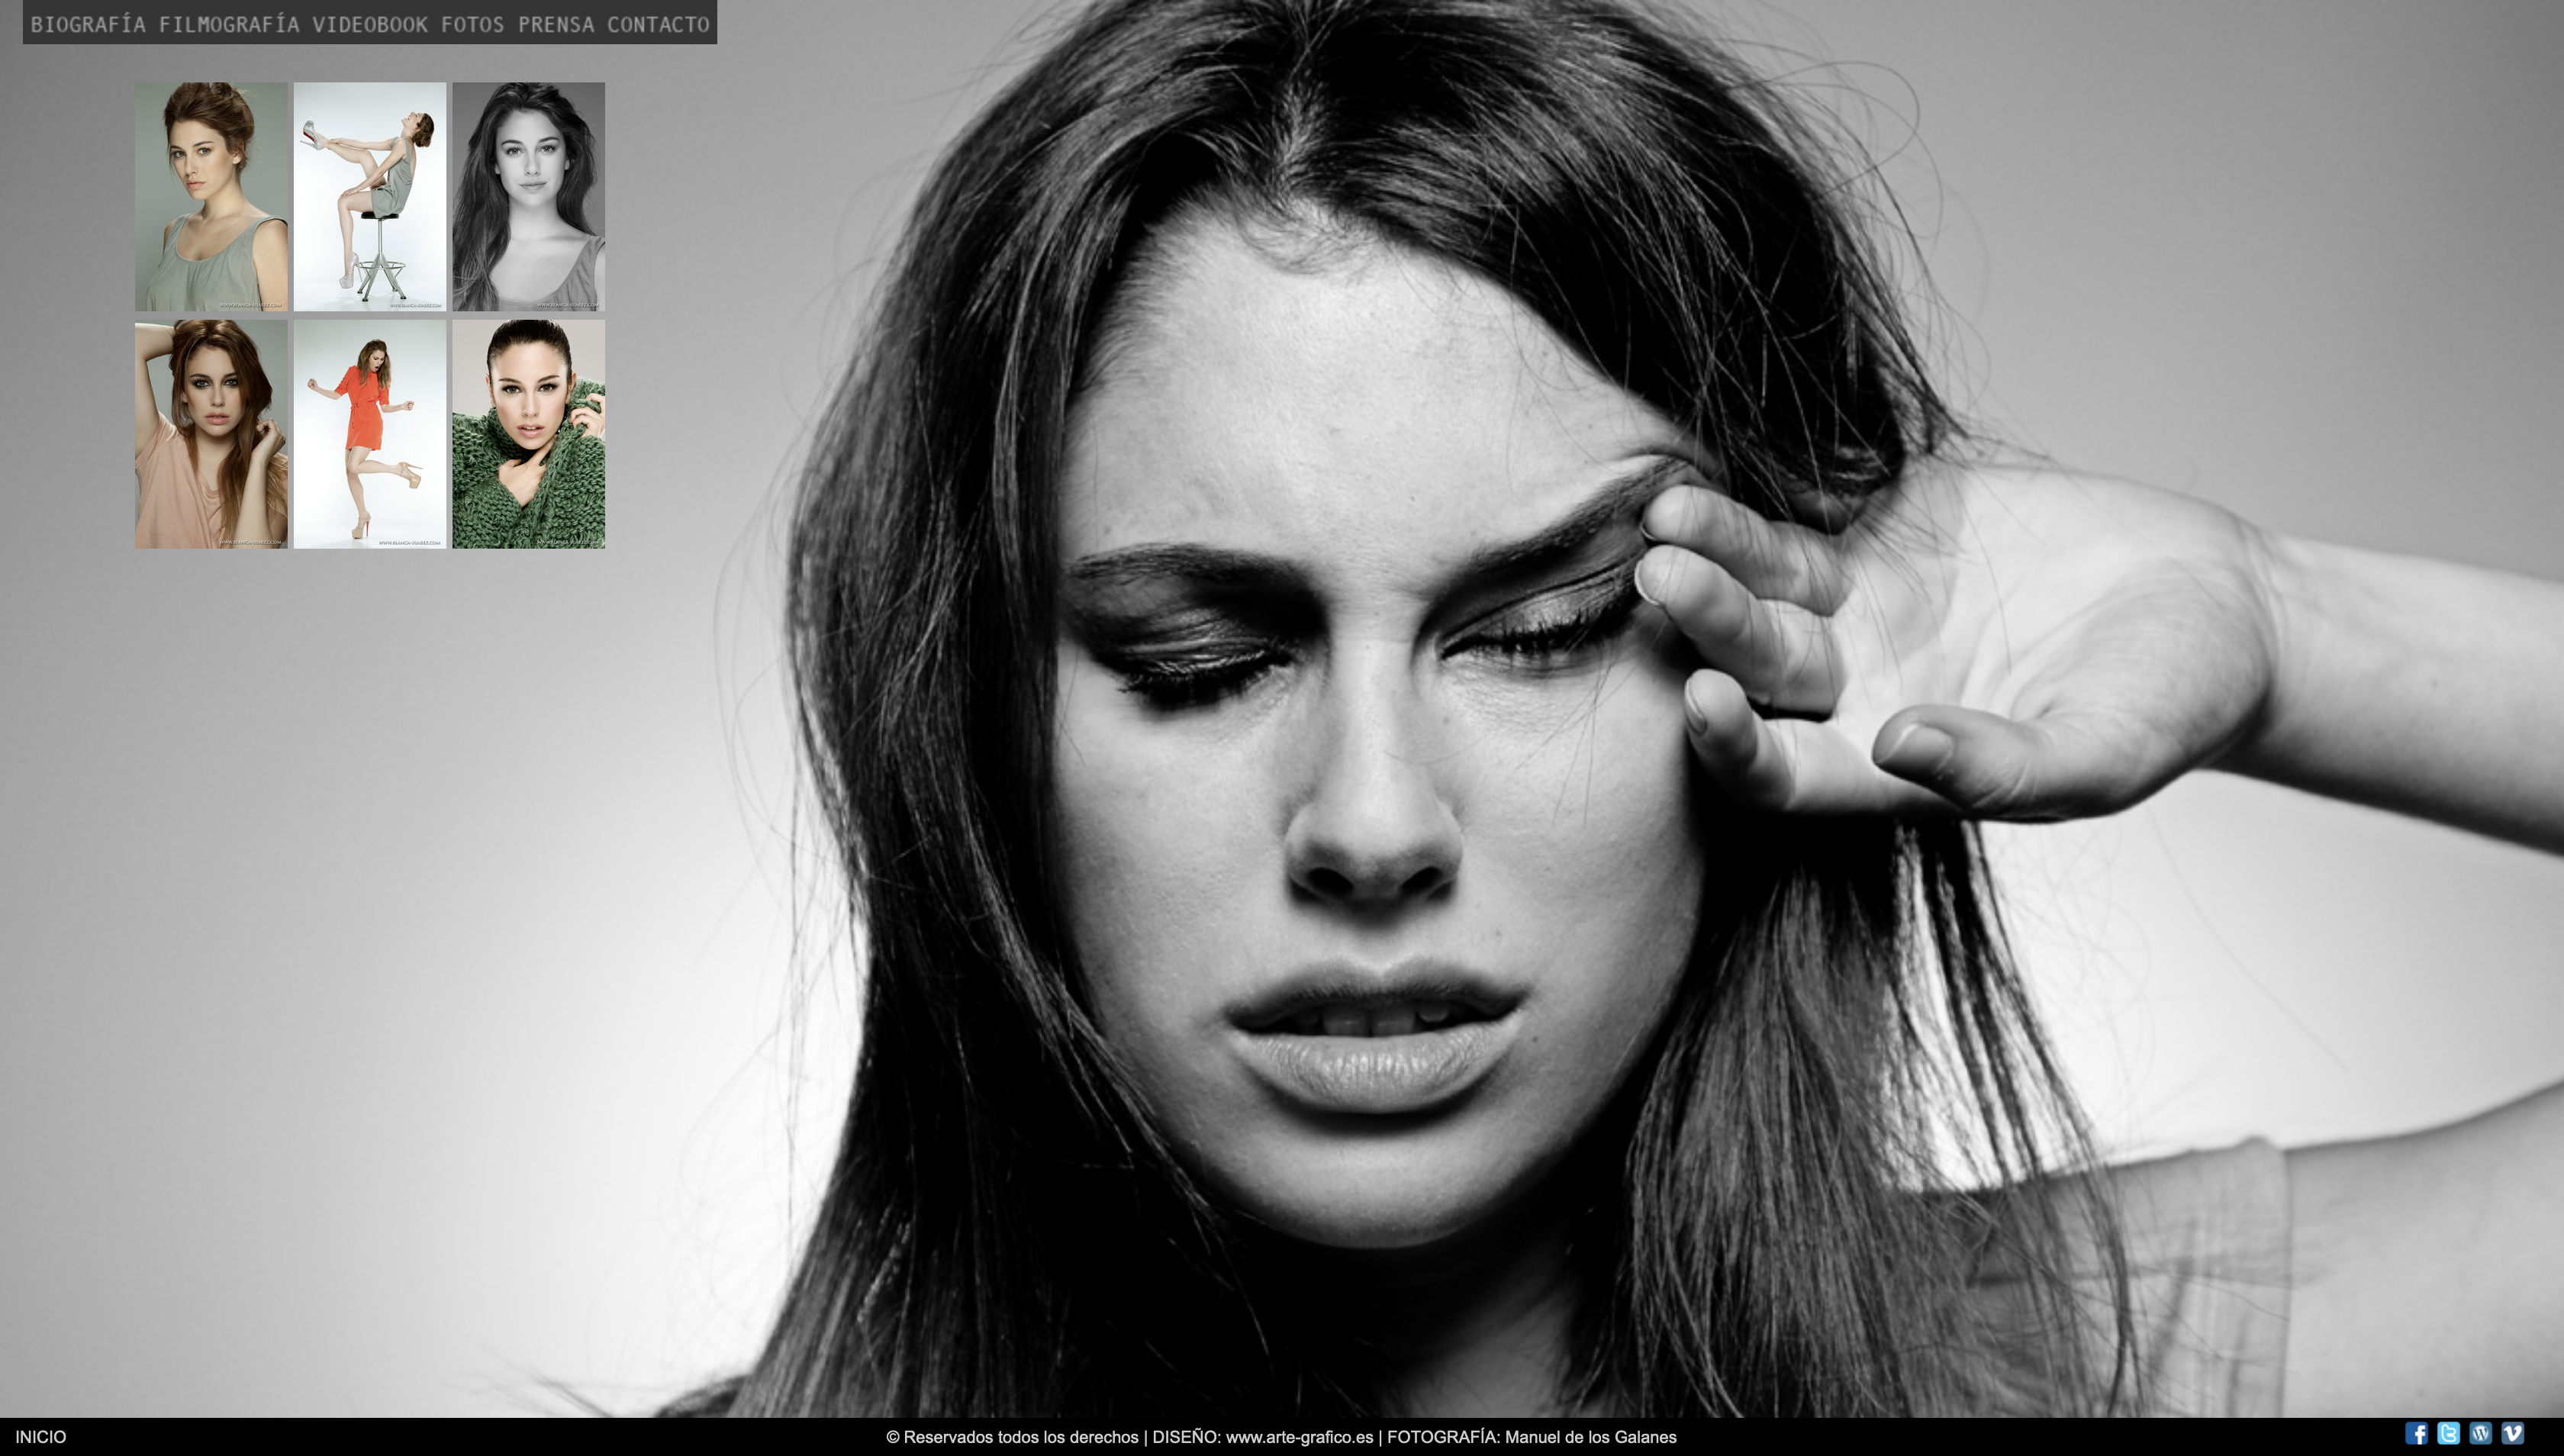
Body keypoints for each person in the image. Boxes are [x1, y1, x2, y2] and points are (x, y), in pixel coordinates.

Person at [704, 0, 2564, 1418]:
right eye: (1205, 662)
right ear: (961, 729)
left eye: (1548, 629)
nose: (1374, 825)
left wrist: (2285, 625)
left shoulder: (2079, 1369)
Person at [449, 318, 605, 549]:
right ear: (491, 391)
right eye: (512, 389)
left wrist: (585, 453)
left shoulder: (598, 462)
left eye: (547, 387)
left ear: (570, 387)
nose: (530, 410)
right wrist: (500, 499)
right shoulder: (450, 443)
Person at [132, 321, 286, 548]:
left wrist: (259, 462)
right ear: (183, 391)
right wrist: (198, 337)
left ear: (249, 390)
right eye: (202, 383)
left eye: (231, 382)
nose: (217, 400)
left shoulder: (280, 474)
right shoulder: (156, 445)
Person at [450, 85, 604, 312]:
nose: (532, 168)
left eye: (547, 148)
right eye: (514, 151)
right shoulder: (453, 252)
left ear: (568, 157)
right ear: (494, 162)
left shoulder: (600, 266)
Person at [143, 82, 288, 312]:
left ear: (236, 151)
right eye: (179, 153)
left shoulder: (268, 234)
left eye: (203, 150)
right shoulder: (173, 232)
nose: (189, 168)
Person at [302, 112, 433, 291]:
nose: (411, 113)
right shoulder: (398, 141)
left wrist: (356, 189)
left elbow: (380, 172)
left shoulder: (404, 144)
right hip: (390, 193)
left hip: (391, 200)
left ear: (416, 127)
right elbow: (366, 144)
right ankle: (325, 143)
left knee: (343, 202)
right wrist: (340, 140)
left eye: (416, 115)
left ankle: (349, 259)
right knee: (365, 155)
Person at [304, 341, 421, 541]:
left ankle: (398, 469)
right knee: (350, 473)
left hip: (371, 422)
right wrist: (317, 388)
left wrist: (401, 406)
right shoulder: (353, 371)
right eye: (376, 358)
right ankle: (363, 516)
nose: (379, 362)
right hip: (354, 423)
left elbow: (384, 407)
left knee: (353, 465)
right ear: (366, 356)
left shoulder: (383, 377)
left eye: (382, 359)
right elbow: (337, 394)